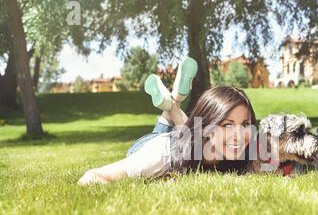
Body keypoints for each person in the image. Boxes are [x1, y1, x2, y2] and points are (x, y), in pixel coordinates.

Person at [78, 57, 258, 186]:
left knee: (189, 135)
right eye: (227, 125)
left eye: (244, 124)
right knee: (182, 140)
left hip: (186, 138)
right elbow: (92, 177)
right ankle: (172, 103)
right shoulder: (160, 155)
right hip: (150, 144)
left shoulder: (240, 150)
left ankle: (173, 101)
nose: (240, 135)